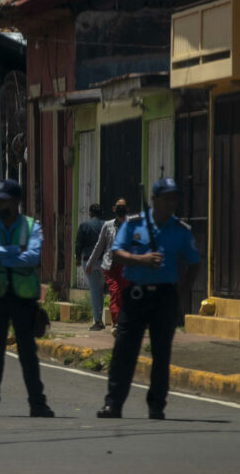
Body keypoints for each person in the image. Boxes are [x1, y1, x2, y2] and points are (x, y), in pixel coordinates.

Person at [97, 178, 200, 420]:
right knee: (124, 351)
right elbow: (116, 254)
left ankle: (156, 405)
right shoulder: (134, 225)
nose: (172, 202)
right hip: (135, 294)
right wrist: (140, 259)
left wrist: (181, 294)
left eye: (175, 197)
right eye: (167, 197)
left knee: (161, 353)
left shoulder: (180, 230)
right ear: (154, 200)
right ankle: (113, 403)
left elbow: (194, 263)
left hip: (165, 295)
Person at [0, 179, 55, 418]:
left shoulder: (31, 226)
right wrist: (12, 251)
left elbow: (32, 257)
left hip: (23, 299)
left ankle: (37, 403)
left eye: (2, 200)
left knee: (28, 352)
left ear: (16, 202)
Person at [86, 198, 130, 336]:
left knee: (124, 295)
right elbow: (100, 245)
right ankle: (116, 324)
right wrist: (90, 263)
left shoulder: (131, 225)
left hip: (125, 266)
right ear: (113, 209)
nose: (120, 209)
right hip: (109, 266)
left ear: (127, 209)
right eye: (118, 207)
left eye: (123, 207)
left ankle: (124, 322)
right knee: (115, 292)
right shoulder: (108, 225)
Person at [75, 204, 105, 331]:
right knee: (102, 289)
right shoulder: (107, 225)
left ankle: (97, 321)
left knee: (94, 290)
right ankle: (105, 320)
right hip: (104, 261)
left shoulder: (84, 226)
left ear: (90, 213)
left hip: (88, 262)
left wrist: (77, 258)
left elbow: (79, 243)